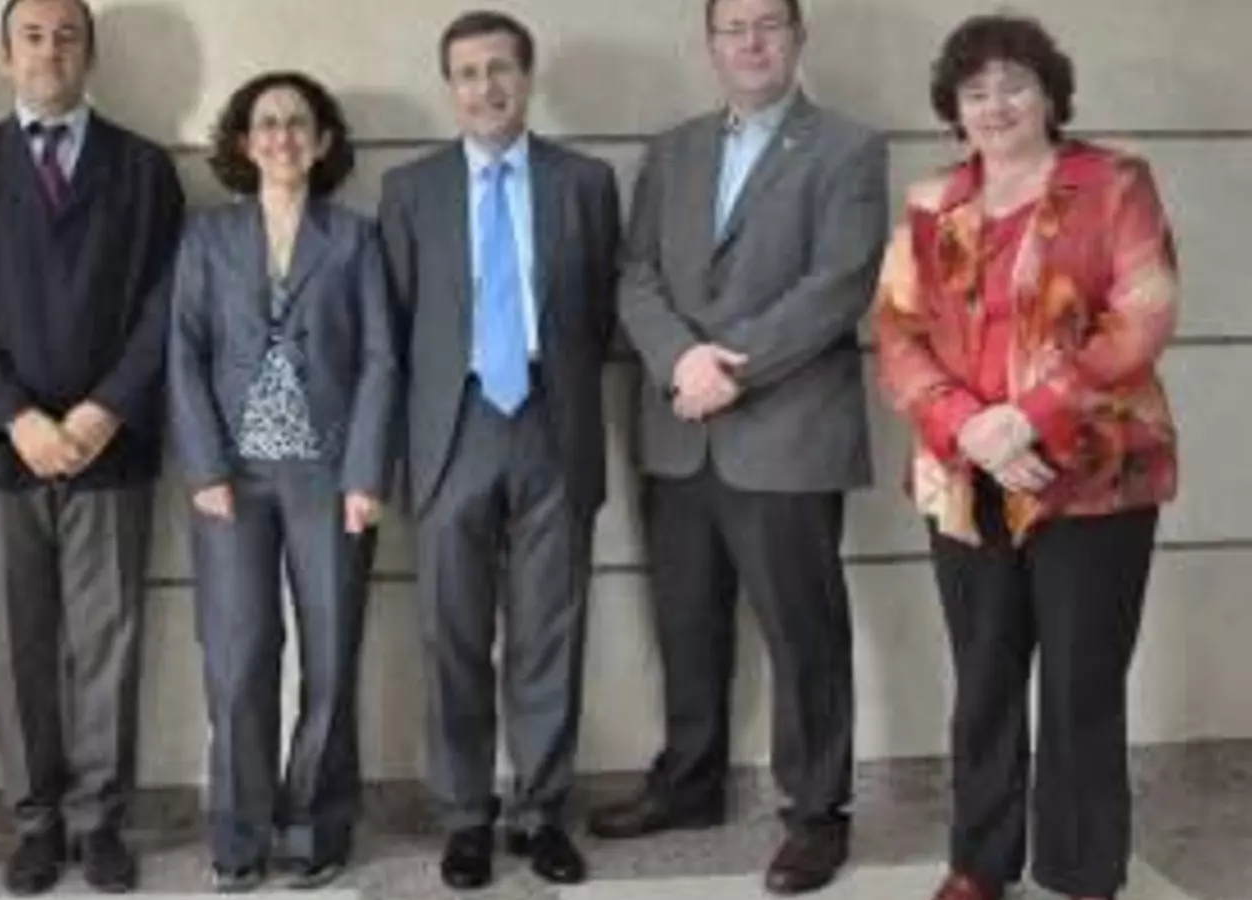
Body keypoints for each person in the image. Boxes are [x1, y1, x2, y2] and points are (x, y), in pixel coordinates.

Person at [872, 14, 1179, 900]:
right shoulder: (931, 201)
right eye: (975, 92)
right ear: (954, 109)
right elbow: (896, 332)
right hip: (964, 477)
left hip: (1094, 474)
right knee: (983, 680)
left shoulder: (1113, 183)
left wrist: (1028, 418)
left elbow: (1145, 314)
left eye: (1014, 84)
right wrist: (969, 427)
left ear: (1050, 94)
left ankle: (1082, 875)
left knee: (1082, 685)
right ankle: (979, 864)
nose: (996, 104)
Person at [598, 0, 889, 893]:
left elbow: (838, 284)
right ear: (711, 44)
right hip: (679, 430)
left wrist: (733, 369)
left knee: (804, 634)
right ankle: (690, 783)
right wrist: (680, 360)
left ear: (799, 38)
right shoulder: (672, 150)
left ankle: (816, 812)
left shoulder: (847, 149)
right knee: (686, 622)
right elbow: (635, 274)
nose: (751, 41)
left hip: (787, 432)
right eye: (734, 28)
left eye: (769, 24)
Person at [0, 0, 184, 892]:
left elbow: (167, 302)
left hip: (111, 448)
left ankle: (101, 822)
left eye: (67, 35)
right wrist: (15, 415)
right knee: (17, 646)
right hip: (2, 454)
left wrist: (106, 408)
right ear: (4, 58)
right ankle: (35, 822)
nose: (49, 50)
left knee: (109, 643)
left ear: (90, 55)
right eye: (31, 36)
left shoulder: (144, 170)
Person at [378, 9, 621, 891]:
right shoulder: (409, 189)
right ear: (450, 88)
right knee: (452, 632)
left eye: (500, 69)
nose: (486, 87)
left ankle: (542, 811)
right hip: (454, 427)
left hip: (554, 421)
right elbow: (396, 324)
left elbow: (600, 313)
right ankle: (466, 816)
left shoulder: (585, 182)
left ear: (527, 76)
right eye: (468, 73)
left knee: (550, 630)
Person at [167, 70, 397, 893]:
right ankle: (238, 833)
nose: (282, 137)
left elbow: (380, 360)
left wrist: (366, 473)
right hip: (232, 480)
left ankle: (315, 827)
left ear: (323, 141)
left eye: (299, 123)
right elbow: (183, 354)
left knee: (330, 659)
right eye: (266, 123)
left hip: (330, 479)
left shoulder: (356, 239)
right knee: (238, 660)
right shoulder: (206, 238)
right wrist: (202, 467)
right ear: (243, 141)